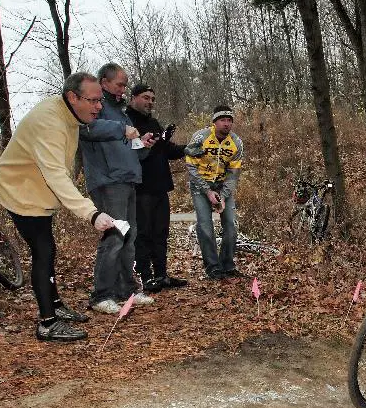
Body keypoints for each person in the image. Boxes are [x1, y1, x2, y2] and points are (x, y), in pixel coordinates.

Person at [0, 72, 116, 342]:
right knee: (43, 250)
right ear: (72, 97)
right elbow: (55, 173)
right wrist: (91, 212)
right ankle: (47, 322)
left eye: (100, 100)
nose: (98, 107)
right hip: (19, 189)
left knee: (48, 247)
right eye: (93, 100)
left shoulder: (68, 114)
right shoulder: (49, 121)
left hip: (37, 188)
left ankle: (56, 304)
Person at [78, 63, 155, 313]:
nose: (123, 89)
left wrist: (142, 144)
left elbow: (129, 149)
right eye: (119, 84)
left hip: (128, 179)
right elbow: (87, 129)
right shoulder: (95, 107)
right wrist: (123, 130)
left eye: (124, 85)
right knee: (114, 237)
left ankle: (127, 289)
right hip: (108, 182)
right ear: (104, 82)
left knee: (128, 237)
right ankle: (101, 295)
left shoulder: (119, 110)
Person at [126, 83, 187, 292]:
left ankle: (161, 274)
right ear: (133, 98)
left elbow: (166, 150)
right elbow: (129, 153)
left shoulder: (152, 121)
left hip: (161, 185)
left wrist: (188, 149)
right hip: (140, 187)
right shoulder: (126, 122)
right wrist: (150, 143)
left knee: (161, 232)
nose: (150, 102)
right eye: (145, 97)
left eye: (152, 99)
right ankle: (145, 277)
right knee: (143, 233)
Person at [184, 105, 244, 279]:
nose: (226, 124)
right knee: (205, 225)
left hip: (223, 185)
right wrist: (207, 191)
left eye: (229, 120)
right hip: (200, 185)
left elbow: (234, 174)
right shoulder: (200, 137)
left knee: (231, 224)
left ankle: (227, 264)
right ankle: (212, 267)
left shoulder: (236, 143)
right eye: (222, 120)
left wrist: (223, 197)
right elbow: (191, 167)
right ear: (214, 122)